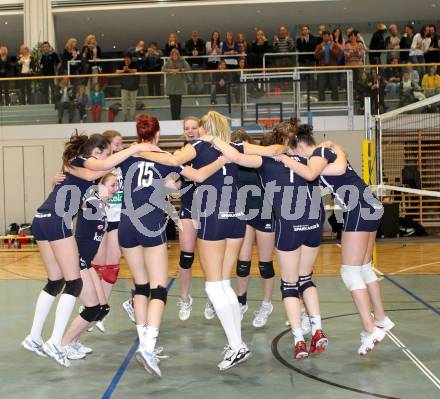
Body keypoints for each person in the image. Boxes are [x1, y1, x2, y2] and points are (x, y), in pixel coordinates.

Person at [141, 111, 280, 370]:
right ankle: (236, 342)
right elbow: (270, 149)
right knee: (224, 284)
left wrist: (140, 151)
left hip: (214, 214)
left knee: (213, 286)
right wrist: (289, 148)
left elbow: (172, 159)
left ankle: (238, 345)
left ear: (206, 128)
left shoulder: (200, 146)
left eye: (200, 127)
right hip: (237, 215)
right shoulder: (234, 145)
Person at [203, 121, 343, 359]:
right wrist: (331, 146)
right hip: (314, 224)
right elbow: (337, 164)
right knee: (306, 278)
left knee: (289, 285)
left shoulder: (267, 161)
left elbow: (236, 155)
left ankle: (299, 340)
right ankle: (317, 329)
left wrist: (213, 139)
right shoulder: (309, 159)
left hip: (290, 226)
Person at [21, 132, 151, 367]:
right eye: (106, 152)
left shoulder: (85, 172)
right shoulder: (80, 160)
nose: (107, 158)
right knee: (74, 283)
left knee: (55, 281)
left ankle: (34, 337)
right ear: (96, 151)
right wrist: (133, 149)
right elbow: (101, 166)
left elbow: (98, 172)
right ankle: (54, 342)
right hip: (56, 219)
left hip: (42, 217)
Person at [118, 114, 229, 377]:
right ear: (157, 135)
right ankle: (148, 346)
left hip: (126, 223)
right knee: (158, 287)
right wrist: (224, 159)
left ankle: (144, 341)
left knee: (140, 285)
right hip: (150, 222)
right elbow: (195, 177)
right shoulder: (166, 158)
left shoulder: (126, 155)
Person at [276, 124, 395, 356]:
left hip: (359, 208)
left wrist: (286, 160)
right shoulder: (325, 151)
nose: (298, 158)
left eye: (296, 152)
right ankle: (380, 318)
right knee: (364, 267)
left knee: (350, 272)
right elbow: (337, 164)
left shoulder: (318, 155)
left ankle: (370, 328)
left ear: (300, 146)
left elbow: (313, 172)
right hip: (370, 204)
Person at [61, 172, 118, 359]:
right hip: (77, 261)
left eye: (116, 186)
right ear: (99, 185)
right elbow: (83, 203)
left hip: (87, 262)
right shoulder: (92, 202)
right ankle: (63, 345)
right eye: (112, 185)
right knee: (93, 308)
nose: (115, 190)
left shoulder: (100, 205)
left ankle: (75, 341)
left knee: (103, 309)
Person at [232, 128, 275, 328]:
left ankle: (266, 304)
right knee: (243, 263)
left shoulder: (259, 159)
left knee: (265, 265)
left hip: (264, 212)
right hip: (244, 214)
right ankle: (241, 302)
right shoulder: (232, 162)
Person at [91, 131, 126, 332]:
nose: (120, 147)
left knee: (112, 269)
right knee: (97, 267)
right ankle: (95, 305)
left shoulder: (124, 167)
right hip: (98, 220)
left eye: (122, 144)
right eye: (117, 144)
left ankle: (101, 308)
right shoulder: (98, 168)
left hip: (117, 220)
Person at [175, 117, 201, 321]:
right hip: (189, 208)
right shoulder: (179, 155)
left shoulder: (208, 151)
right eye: (187, 128)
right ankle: (185, 298)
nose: (190, 131)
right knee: (186, 257)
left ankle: (214, 295)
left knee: (213, 259)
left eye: (194, 127)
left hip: (210, 210)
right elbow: (174, 184)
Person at [162, 49, 190, 120]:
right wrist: (171, 71)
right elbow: (163, 69)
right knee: (172, 104)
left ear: (178, 55)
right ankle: (173, 118)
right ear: (171, 55)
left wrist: (179, 70)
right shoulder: (168, 61)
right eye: (173, 54)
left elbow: (188, 68)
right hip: (171, 85)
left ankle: (177, 117)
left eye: (176, 54)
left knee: (178, 103)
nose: (174, 56)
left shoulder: (182, 60)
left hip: (179, 85)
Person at [314, 30, 340, 101]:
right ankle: (321, 102)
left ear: (329, 36)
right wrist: (322, 50)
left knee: (334, 86)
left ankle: (335, 102)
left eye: (326, 36)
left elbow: (338, 55)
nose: (325, 37)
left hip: (332, 69)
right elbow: (316, 56)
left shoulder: (334, 45)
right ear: (322, 37)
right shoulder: (319, 46)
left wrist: (331, 49)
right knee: (321, 87)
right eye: (324, 36)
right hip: (322, 69)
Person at [116, 53, 140, 121]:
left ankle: (131, 119)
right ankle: (125, 118)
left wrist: (128, 69)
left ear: (130, 59)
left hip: (134, 87)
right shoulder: (121, 64)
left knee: (132, 103)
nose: (126, 60)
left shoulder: (134, 63)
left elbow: (136, 70)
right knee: (124, 103)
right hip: (124, 87)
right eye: (125, 58)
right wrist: (123, 70)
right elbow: (117, 71)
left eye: (128, 58)